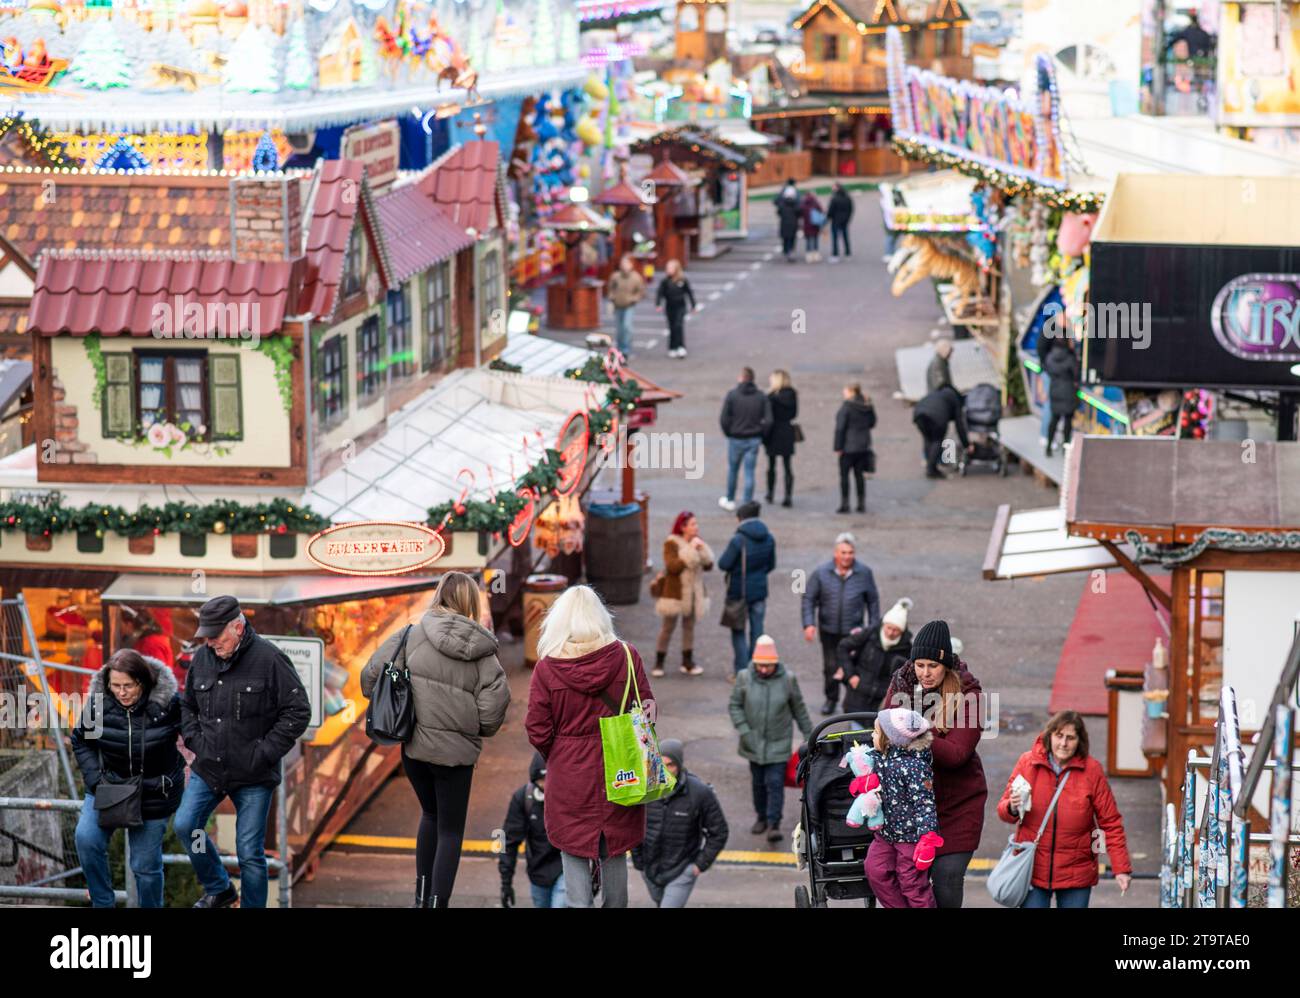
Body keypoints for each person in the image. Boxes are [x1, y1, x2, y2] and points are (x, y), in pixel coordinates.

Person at [361, 571, 510, 907]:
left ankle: (420, 897)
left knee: (429, 816)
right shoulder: (485, 653)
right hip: (456, 758)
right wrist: (466, 722)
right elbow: (492, 713)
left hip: (414, 750)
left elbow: (370, 678)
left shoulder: (411, 635)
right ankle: (438, 904)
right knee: (451, 831)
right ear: (472, 602)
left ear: (439, 596)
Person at [524, 585, 656, 908]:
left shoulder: (547, 668)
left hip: (569, 776)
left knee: (573, 849)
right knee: (614, 848)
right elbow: (647, 712)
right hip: (621, 769)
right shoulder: (626, 656)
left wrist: (561, 754)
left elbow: (537, 729)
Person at [175, 596, 310, 909]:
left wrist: (263, 753)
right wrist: (196, 741)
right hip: (209, 767)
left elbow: (297, 711)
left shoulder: (270, 659)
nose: (209, 642)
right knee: (186, 826)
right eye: (206, 635)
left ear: (238, 627)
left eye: (216, 635)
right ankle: (219, 888)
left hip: (254, 774)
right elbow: (188, 706)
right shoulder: (202, 658)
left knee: (249, 852)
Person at [881, 619, 988, 908]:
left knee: (946, 879)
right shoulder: (902, 683)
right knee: (897, 876)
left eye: (933, 666)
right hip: (912, 805)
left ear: (946, 665)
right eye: (920, 665)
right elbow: (884, 730)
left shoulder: (970, 696)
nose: (925, 673)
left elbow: (956, 754)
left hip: (957, 806)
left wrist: (915, 730)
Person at [71, 649, 185, 908]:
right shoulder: (99, 704)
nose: (121, 692)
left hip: (153, 792)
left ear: (142, 683)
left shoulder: (169, 704)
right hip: (109, 786)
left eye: (128, 686)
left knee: (145, 866)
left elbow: (194, 735)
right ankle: (103, 903)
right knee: (86, 839)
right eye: (115, 686)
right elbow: (81, 741)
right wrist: (95, 779)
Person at [997, 711, 1133, 908]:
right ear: (1049, 736)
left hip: (1076, 873)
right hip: (1032, 869)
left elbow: (1110, 822)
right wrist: (1011, 807)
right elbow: (1003, 812)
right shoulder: (1028, 763)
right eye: (1059, 736)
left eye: (1070, 738)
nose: (1063, 743)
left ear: (1080, 741)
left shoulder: (1092, 771)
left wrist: (1121, 868)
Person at [728, 635, 812, 843]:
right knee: (758, 783)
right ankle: (761, 817)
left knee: (774, 782)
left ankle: (774, 822)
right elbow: (735, 705)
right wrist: (744, 731)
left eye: (768, 665)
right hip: (753, 743)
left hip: (779, 742)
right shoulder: (744, 678)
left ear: (775, 663)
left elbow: (799, 709)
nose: (764, 669)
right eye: (760, 665)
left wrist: (810, 736)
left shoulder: (788, 680)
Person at [631, 738, 728, 907]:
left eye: (671, 765)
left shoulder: (699, 792)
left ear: (679, 765)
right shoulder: (644, 788)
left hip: (681, 870)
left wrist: (698, 865)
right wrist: (638, 860)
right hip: (650, 869)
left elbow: (719, 831)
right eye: (661, 764)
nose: (665, 770)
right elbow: (632, 824)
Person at [864, 708, 940, 908]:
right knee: (875, 869)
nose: (872, 736)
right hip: (887, 834)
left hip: (911, 837)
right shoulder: (881, 758)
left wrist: (927, 838)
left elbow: (925, 803)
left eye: (876, 733)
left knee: (911, 883)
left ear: (889, 739)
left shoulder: (914, 767)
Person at [801, 532, 881, 715]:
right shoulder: (821, 573)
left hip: (853, 631)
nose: (847, 556)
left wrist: (874, 627)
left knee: (853, 666)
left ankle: (852, 701)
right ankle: (831, 698)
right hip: (829, 630)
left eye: (850, 552)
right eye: (843, 552)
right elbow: (809, 598)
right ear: (835, 553)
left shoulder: (864, 573)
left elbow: (873, 601)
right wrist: (808, 623)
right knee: (830, 666)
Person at [717, 501, 777, 677]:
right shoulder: (769, 538)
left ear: (740, 518)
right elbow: (771, 565)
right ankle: (758, 668)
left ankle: (742, 672)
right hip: (759, 591)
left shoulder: (738, 540)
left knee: (738, 631)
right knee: (757, 631)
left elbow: (723, 564)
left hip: (738, 592)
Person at [499, 752, 565, 909]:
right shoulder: (522, 798)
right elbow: (506, 840)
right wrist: (505, 882)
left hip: (566, 869)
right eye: (542, 782)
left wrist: (594, 877)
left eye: (551, 781)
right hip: (537, 872)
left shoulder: (569, 796)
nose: (546, 786)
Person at [653, 510, 714, 678]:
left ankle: (687, 662)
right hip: (675, 593)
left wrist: (702, 550)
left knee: (689, 627)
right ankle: (659, 662)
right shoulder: (671, 543)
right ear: (683, 527)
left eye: (696, 523)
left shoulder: (697, 542)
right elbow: (673, 567)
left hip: (694, 593)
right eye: (693, 524)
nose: (696, 527)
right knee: (668, 628)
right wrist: (690, 550)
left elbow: (709, 565)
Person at [835, 597, 913, 715]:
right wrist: (850, 675)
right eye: (888, 628)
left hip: (882, 704)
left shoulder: (907, 649)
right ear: (883, 625)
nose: (890, 633)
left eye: (896, 630)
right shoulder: (870, 634)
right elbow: (843, 647)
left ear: (902, 632)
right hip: (857, 696)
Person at [718, 366, 773, 510]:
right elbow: (768, 420)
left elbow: (724, 418)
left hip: (736, 437)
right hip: (753, 438)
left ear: (741, 378)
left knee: (733, 470)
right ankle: (747, 502)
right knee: (749, 471)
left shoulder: (732, 395)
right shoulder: (761, 396)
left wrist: (729, 432)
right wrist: (762, 433)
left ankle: (730, 498)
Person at [912, 382, 970, 479]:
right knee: (937, 440)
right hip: (937, 416)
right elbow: (959, 425)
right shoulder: (954, 398)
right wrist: (966, 444)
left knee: (928, 439)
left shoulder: (936, 394)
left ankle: (930, 465)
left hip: (918, 413)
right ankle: (931, 469)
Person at [833, 382, 876, 514]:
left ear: (852, 391)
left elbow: (840, 428)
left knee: (844, 476)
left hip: (848, 447)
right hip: (863, 446)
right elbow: (872, 423)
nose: (843, 392)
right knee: (859, 476)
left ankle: (845, 503)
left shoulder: (847, 407)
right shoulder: (867, 405)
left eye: (845, 390)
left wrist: (838, 447)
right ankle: (861, 503)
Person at [763, 369, 798, 508]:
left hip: (773, 431)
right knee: (787, 465)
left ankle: (770, 493)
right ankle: (788, 496)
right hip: (787, 430)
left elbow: (767, 416)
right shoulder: (792, 394)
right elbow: (795, 413)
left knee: (771, 465)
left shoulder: (771, 396)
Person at [120, 605, 179, 688]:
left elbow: (156, 677)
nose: (121, 630)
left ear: (129, 624)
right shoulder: (147, 641)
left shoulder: (151, 644)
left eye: (121, 625)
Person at [1042, 337, 1079, 457]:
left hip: (1055, 390)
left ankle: (1048, 446)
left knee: (1054, 420)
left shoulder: (1050, 356)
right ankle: (1065, 448)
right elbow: (1076, 374)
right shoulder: (1070, 358)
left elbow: (1046, 369)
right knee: (1068, 422)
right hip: (1068, 392)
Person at [605, 253, 646, 360]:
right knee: (619, 329)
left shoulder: (636, 277)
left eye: (627, 264)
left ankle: (626, 349)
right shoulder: (616, 276)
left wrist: (634, 299)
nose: (625, 266)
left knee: (627, 327)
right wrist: (612, 297)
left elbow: (640, 291)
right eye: (623, 264)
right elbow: (610, 288)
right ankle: (619, 349)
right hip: (618, 305)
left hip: (629, 306)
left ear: (631, 265)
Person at [655, 258, 697, 359]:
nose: (668, 270)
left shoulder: (682, 280)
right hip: (670, 307)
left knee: (678, 325)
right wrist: (658, 304)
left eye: (670, 268)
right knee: (672, 327)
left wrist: (693, 305)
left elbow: (689, 292)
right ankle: (672, 347)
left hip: (680, 306)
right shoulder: (665, 281)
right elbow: (660, 293)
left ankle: (681, 346)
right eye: (667, 268)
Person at [827, 182, 854, 260]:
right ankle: (848, 253)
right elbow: (851, 209)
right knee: (845, 237)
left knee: (835, 238)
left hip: (836, 221)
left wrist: (828, 218)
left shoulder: (834, 198)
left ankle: (835, 254)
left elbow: (830, 211)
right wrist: (848, 218)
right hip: (845, 221)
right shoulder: (847, 197)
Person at [776, 183, 800, 262]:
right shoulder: (796, 204)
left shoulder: (782, 205)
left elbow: (779, 212)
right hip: (793, 225)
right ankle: (790, 252)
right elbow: (799, 213)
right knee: (792, 239)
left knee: (785, 239)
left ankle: (786, 252)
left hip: (784, 224)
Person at [800, 189, 824, 262]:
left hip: (806, 225)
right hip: (815, 224)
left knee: (808, 241)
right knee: (815, 240)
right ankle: (815, 255)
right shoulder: (816, 203)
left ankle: (808, 256)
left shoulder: (803, 203)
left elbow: (800, 213)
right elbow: (822, 211)